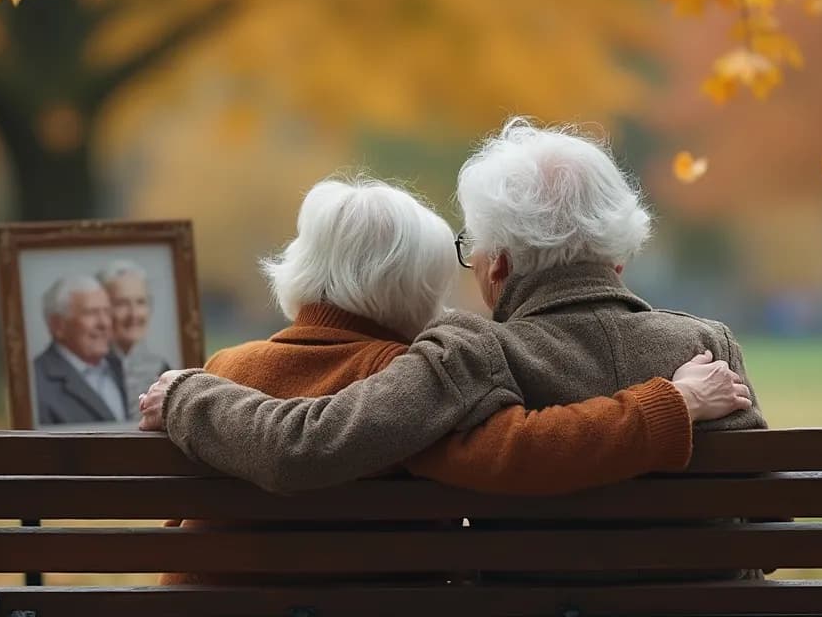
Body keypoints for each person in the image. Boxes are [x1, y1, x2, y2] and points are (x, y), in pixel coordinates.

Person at [156, 175, 752, 586]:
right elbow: (517, 449)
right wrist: (670, 403)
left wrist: (186, 390)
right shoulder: (403, 375)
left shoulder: (222, 372)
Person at [139, 119, 765, 496]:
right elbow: (767, 519)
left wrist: (190, 394)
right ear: (618, 256)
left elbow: (307, 447)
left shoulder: (467, 353)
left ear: (497, 265)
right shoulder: (707, 346)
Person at [31, 275, 132, 426]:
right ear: (58, 325)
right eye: (91, 313)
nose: (104, 323)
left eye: (107, 312)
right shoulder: (34, 385)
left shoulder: (125, 367)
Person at [97, 260, 173, 405]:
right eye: (121, 303)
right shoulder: (90, 371)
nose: (133, 314)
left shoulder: (161, 370)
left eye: (140, 302)